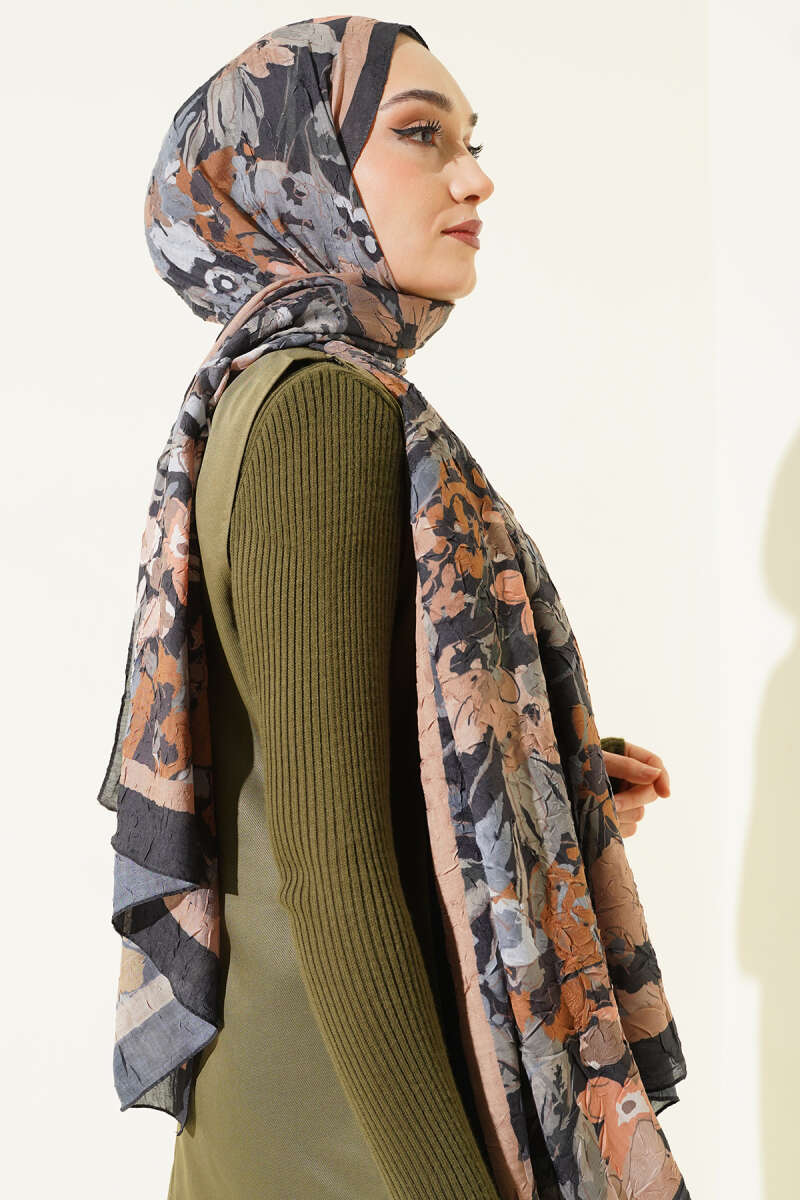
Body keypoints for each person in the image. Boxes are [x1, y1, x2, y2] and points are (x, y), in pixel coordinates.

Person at [102, 16, 682, 1200]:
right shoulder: (320, 413)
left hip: (312, 1114)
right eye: (421, 135)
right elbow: (336, 869)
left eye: (472, 141)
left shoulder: (267, 396)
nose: (474, 178)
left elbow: (323, 760)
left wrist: (529, 769)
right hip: (349, 1136)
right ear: (292, 170)